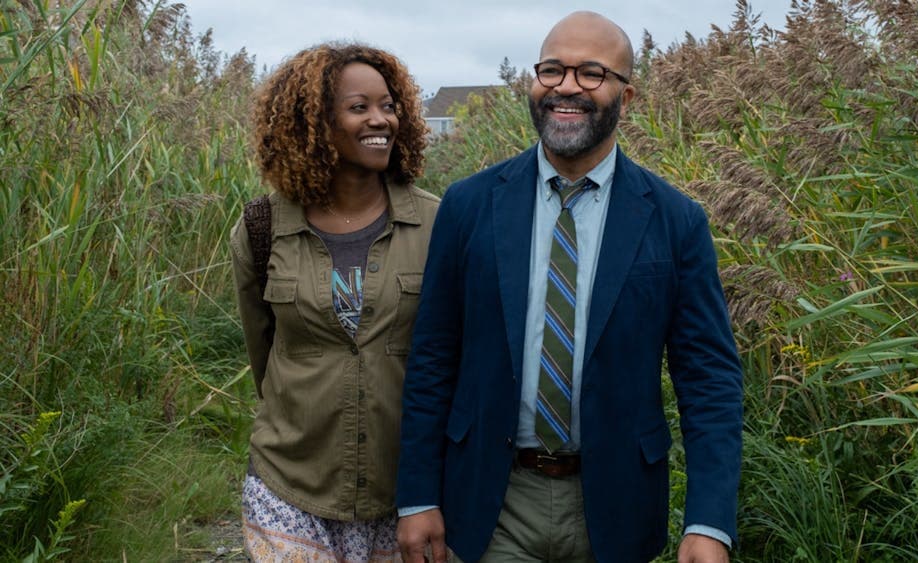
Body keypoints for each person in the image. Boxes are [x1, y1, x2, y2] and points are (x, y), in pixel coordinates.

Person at [395, 11, 743, 563]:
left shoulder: (676, 221)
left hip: (615, 505)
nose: (566, 88)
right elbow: (433, 355)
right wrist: (415, 496)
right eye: (552, 70)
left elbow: (709, 380)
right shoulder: (469, 205)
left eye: (591, 74)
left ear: (626, 98)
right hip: (493, 498)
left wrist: (709, 521)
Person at [230, 42, 438, 562]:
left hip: (404, 494)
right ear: (314, 122)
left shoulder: (440, 225)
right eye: (358, 107)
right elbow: (266, 354)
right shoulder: (262, 227)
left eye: (389, 105)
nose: (381, 119)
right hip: (290, 481)